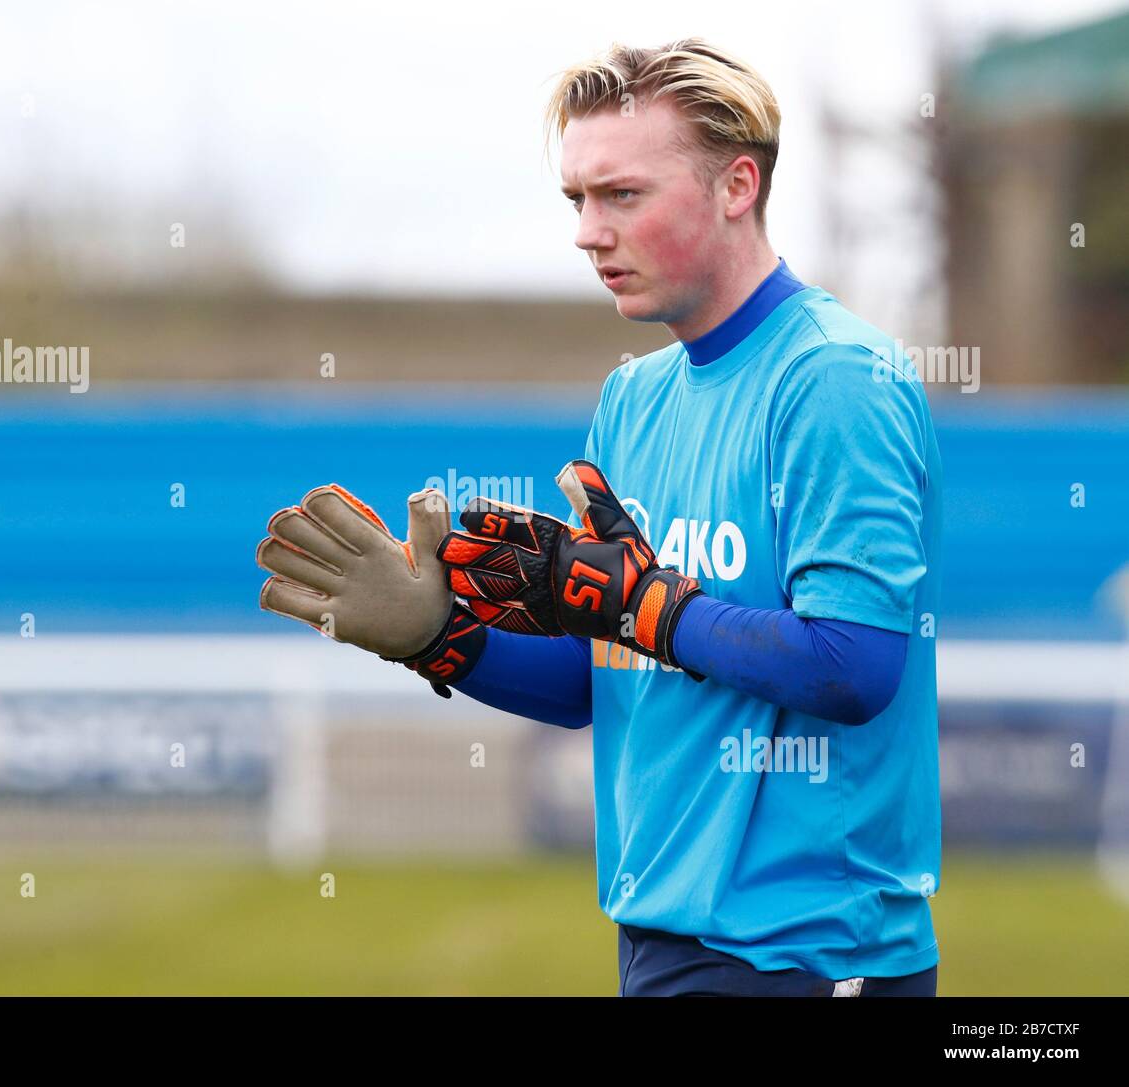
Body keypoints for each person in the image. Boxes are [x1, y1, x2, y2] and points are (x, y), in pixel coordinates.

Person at [257, 38, 941, 998]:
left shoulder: (832, 381)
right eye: (577, 198)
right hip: (661, 941)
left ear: (737, 185)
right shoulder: (634, 398)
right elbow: (603, 679)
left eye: (621, 195)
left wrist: (648, 608)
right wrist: (443, 638)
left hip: (806, 956)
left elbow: (854, 663)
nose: (586, 231)